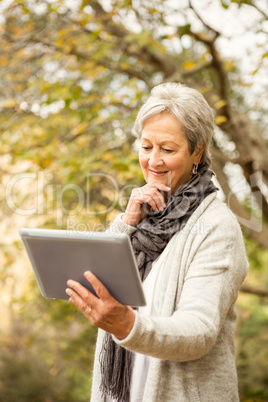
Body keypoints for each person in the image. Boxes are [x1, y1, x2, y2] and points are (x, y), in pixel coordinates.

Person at [65, 82, 249, 402]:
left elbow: (199, 331)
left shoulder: (218, 227)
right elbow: (98, 279)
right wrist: (126, 223)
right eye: (146, 146)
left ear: (197, 151)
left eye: (167, 149)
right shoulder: (144, 214)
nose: (153, 161)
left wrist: (127, 326)